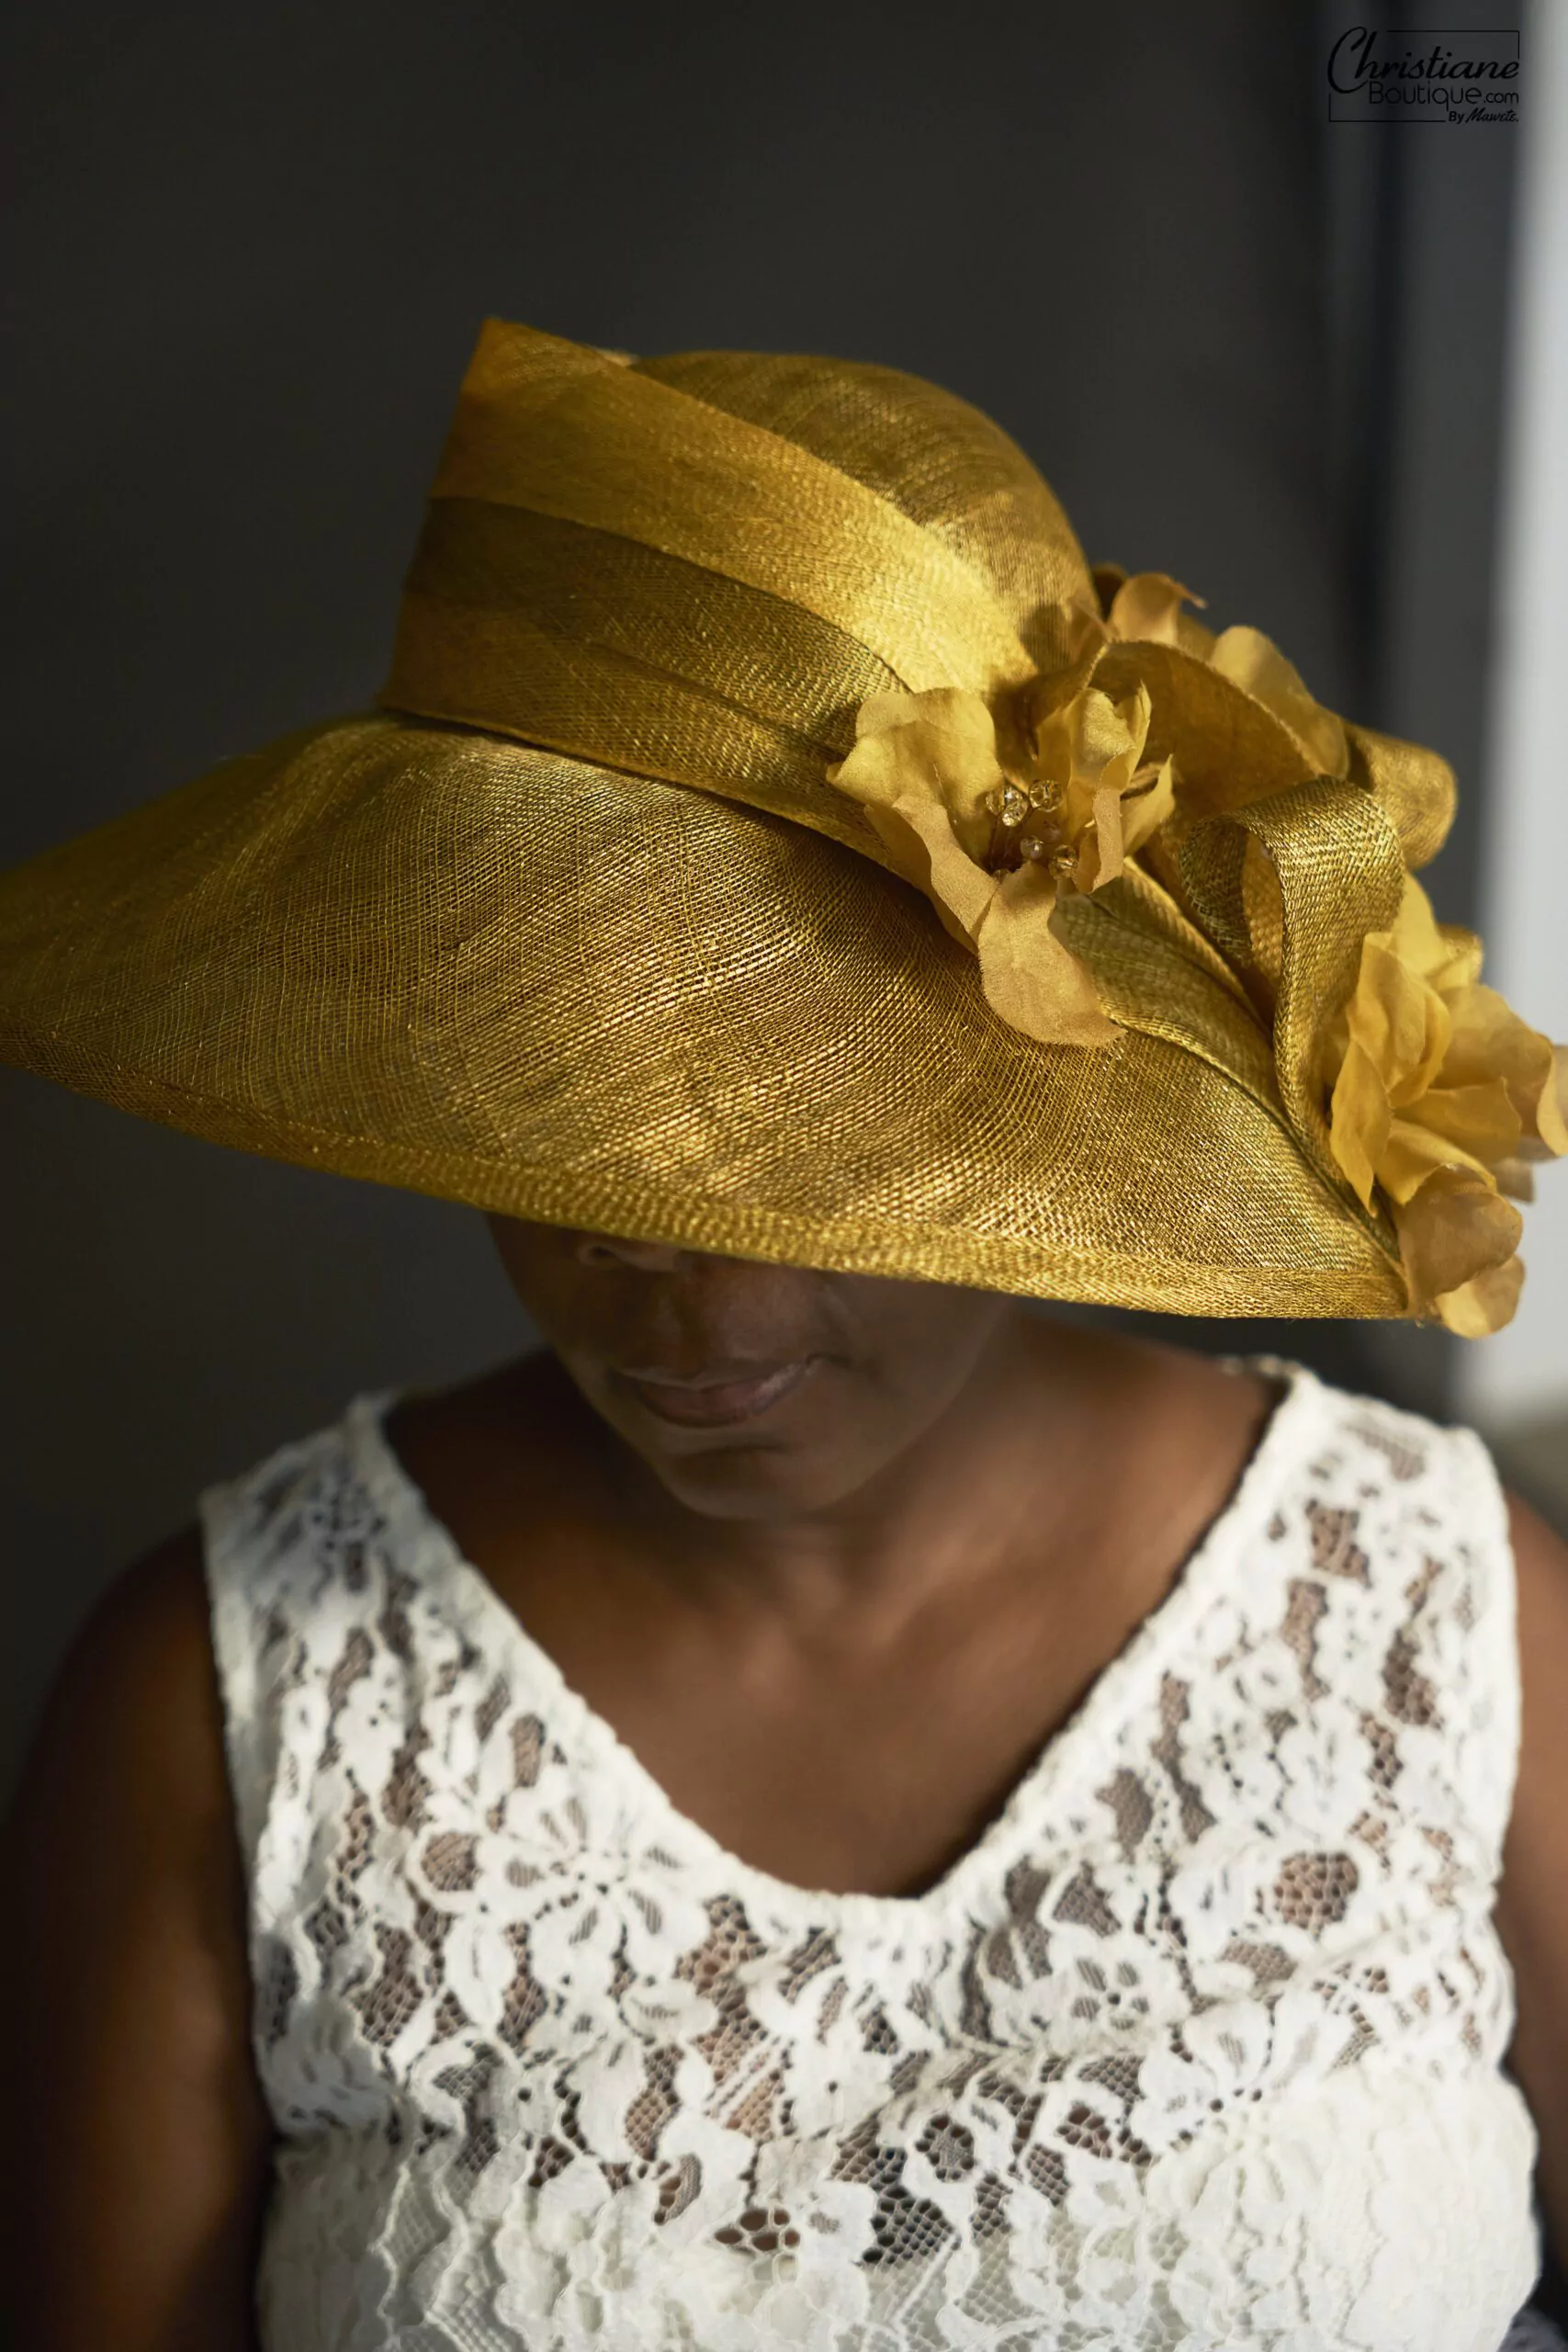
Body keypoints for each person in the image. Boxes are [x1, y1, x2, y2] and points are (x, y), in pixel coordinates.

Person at [2, 322, 1564, 2352]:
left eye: (825, 1172)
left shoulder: (1453, 1632)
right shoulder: (220, 1704)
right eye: (572, 1144)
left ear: (1042, 1077)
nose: (705, 1309)